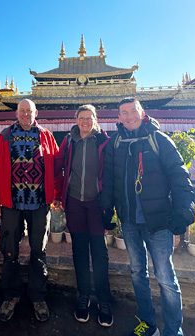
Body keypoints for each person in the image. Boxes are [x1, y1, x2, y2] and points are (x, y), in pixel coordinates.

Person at [101, 97, 195, 336]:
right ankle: (148, 322)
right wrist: (107, 209)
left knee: (165, 277)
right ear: (119, 118)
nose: (129, 116)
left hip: (159, 221)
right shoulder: (116, 143)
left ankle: (173, 330)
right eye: (124, 112)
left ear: (142, 113)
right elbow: (110, 180)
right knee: (137, 272)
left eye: (133, 110)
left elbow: (180, 177)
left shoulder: (159, 141)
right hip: (130, 221)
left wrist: (183, 213)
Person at [0, 98, 58, 322]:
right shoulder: (5, 135)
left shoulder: (46, 135)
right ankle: (11, 295)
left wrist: (54, 195)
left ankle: (38, 296)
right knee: (10, 250)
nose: (26, 114)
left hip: (39, 203)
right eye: (22, 111)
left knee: (39, 250)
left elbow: (56, 167)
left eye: (30, 111)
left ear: (36, 112)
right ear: (16, 113)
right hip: (12, 203)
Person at [53, 104, 113, 326]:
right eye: (82, 118)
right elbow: (59, 165)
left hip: (97, 204)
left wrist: (109, 200)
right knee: (79, 251)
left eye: (89, 118)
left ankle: (103, 300)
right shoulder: (69, 141)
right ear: (76, 120)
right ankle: (84, 296)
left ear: (95, 119)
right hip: (75, 202)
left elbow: (110, 172)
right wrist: (58, 193)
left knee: (99, 252)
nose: (85, 122)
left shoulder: (104, 142)